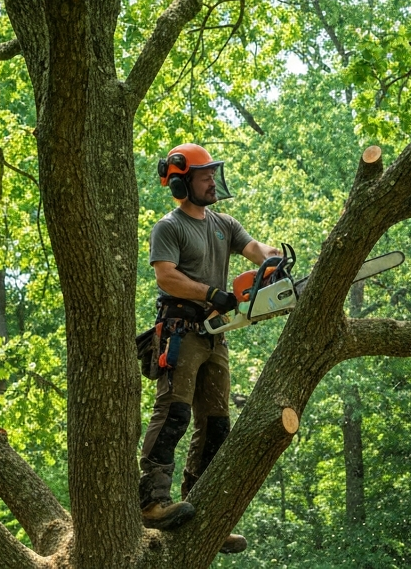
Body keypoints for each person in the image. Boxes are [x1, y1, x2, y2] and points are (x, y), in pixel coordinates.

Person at [139, 143, 279, 547]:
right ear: (181, 183)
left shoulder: (224, 223)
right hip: (180, 330)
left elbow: (255, 249)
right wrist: (209, 292)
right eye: (205, 177)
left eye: (212, 175)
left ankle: (204, 513)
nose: (213, 182)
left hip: (215, 334)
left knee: (217, 424)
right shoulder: (169, 227)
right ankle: (152, 501)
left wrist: (272, 259)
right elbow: (166, 276)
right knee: (174, 413)